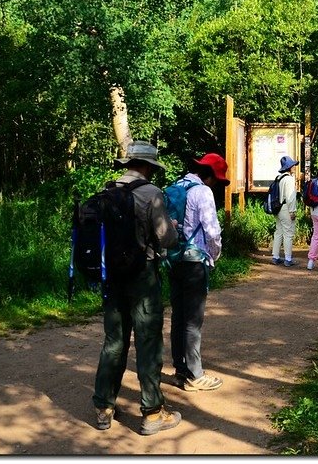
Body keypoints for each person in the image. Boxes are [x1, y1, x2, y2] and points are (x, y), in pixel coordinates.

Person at [92, 140, 182, 436]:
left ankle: (104, 408)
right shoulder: (151, 194)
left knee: (114, 342)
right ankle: (153, 413)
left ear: (127, 164)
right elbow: (167, 239)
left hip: (112, 277)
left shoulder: (106, 192)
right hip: (143, 275)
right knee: (147, 342)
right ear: (147, 167)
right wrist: (174, 228)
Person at [168, 153, 229, 392]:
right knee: (193, 320)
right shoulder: (203, 192)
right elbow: (212, 231)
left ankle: (180, 370)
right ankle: (195, 375)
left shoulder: (176, 186)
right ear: (211, 176)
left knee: (178, 316)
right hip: (194, 261)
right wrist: (213, 255)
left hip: (173, 260)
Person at [271, 155, 299, 267]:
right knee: (288, 234)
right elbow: (290, 197)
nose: (294, 167)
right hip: (286, 208)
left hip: (277, 208)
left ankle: (275, 256)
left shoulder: (279, 177)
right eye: (293, 165)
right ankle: (288, 259)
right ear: (289, 167)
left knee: (278, 232)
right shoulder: (289, 179)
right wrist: (292, 211)